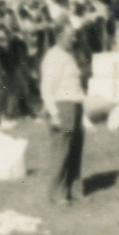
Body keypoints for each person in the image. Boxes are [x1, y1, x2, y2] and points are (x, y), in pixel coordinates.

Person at [39, 25, 90, 204]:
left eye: (75, 36)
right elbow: (47, 88)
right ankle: (57, 193)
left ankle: (74, 190)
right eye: (71, 36)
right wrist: (53, 113)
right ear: (60, 36)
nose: (74, 40)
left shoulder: (68, 55)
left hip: (75, 104)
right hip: (62, 105)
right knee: (61, 150)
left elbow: (74, 83)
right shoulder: (53, 57)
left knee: (75, 149)